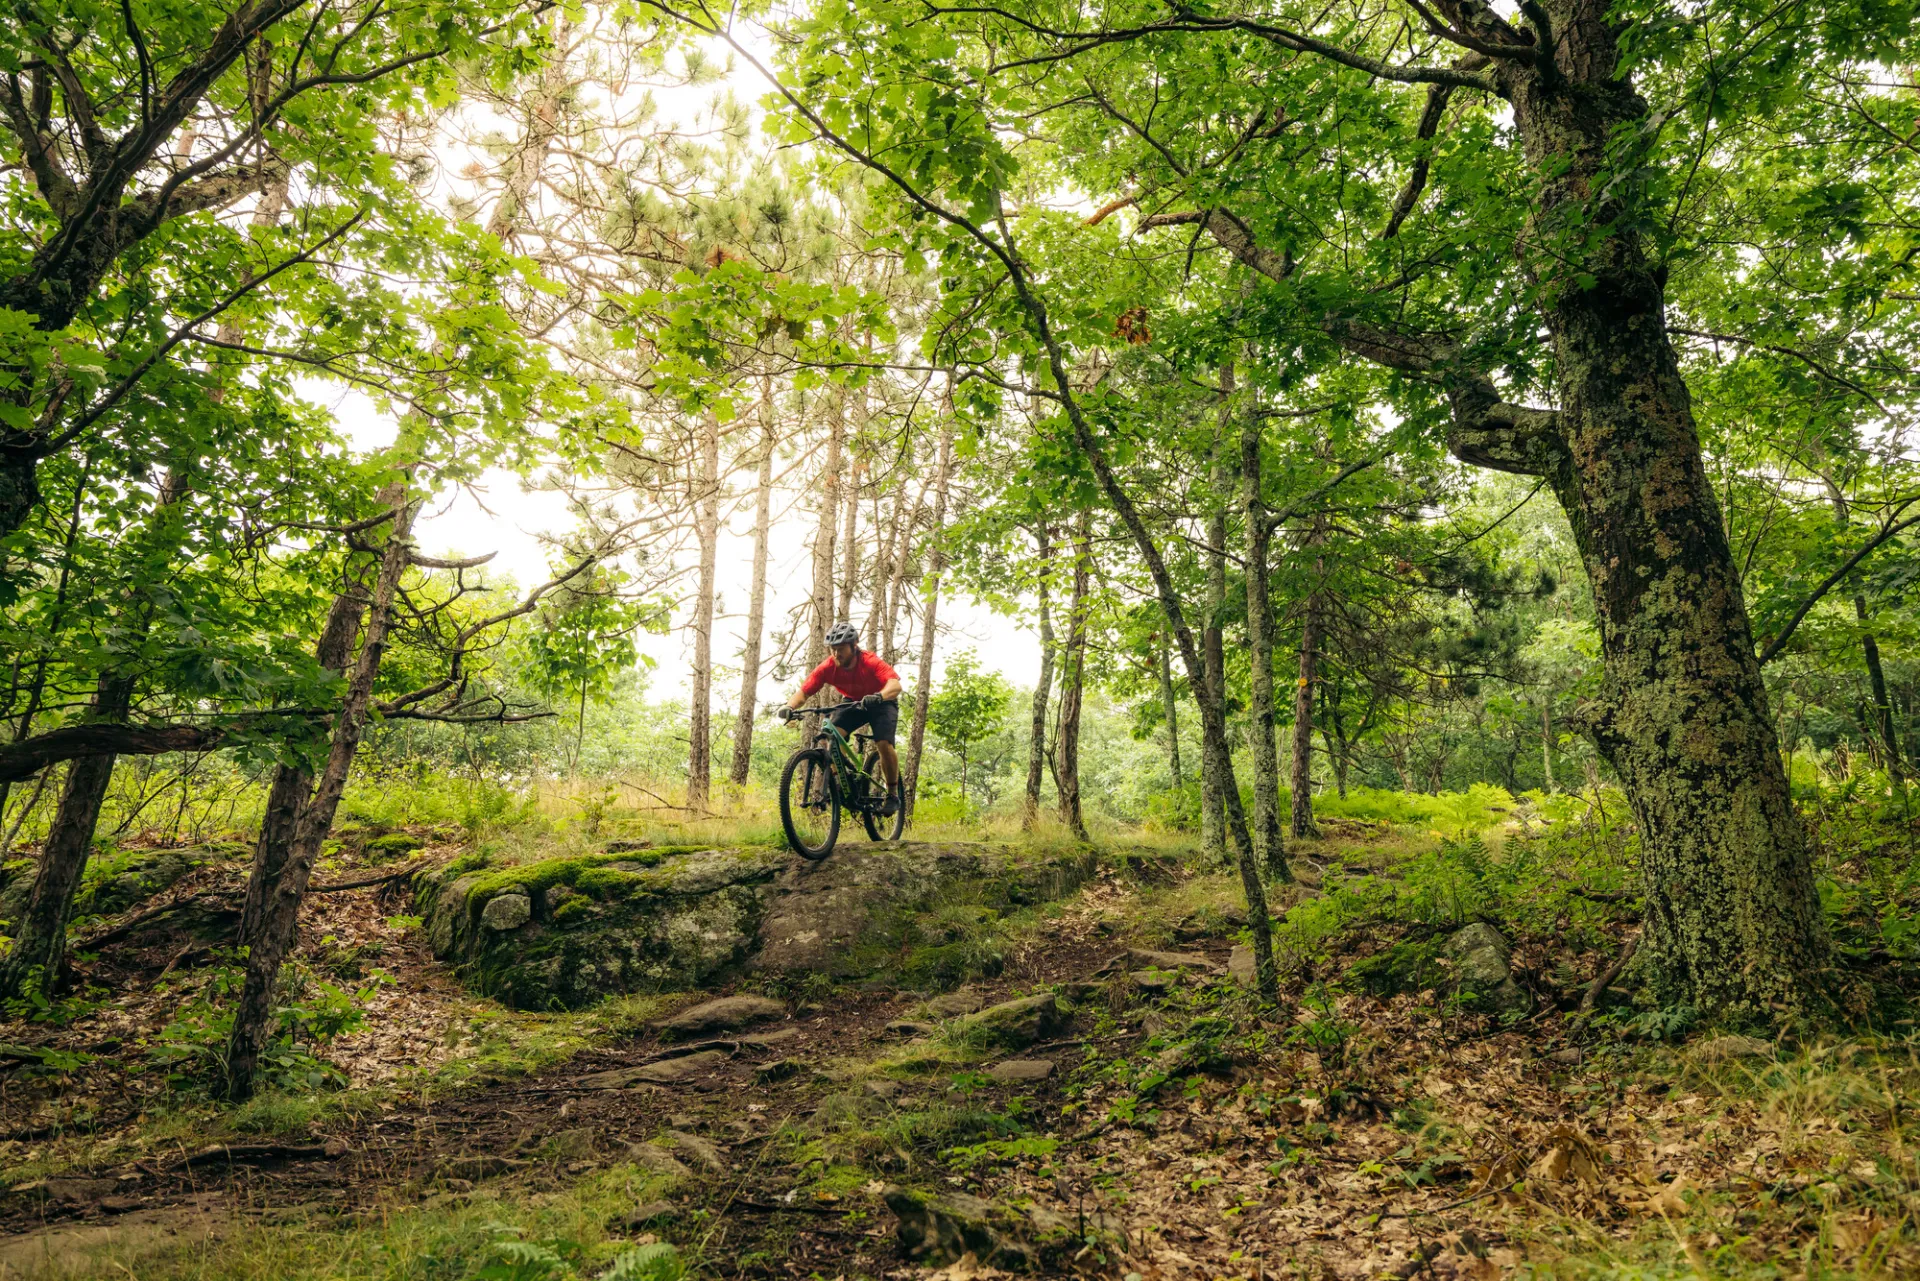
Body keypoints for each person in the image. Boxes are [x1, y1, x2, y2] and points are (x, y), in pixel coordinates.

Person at [784, 622, 903, 815]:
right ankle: (841, 782)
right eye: (833, 650)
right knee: (831, 736)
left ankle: (892, 794)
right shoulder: (828, 667)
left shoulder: (870, 661)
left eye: (841, 650)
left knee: (883, 743)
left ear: (854, 646)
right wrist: (789, 707)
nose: (836, 654)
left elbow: (895, 685)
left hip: (881, 702)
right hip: (853, 703)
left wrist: (879, 696)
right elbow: (804, 692)